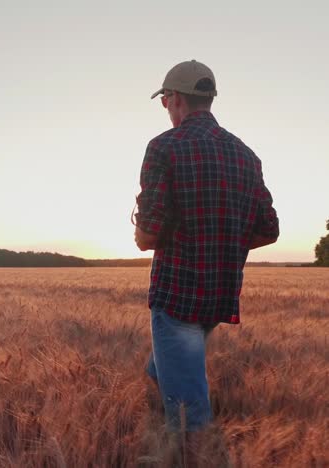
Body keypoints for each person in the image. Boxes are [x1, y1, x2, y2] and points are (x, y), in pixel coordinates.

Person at [133, 60, 279, 436]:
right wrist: (224, 243)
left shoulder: (164, 147)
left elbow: (150, 232)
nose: (166, 108)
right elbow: (269, 229)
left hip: (178, 294)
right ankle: (155, 418)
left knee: (190, 421)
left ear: (176, 99)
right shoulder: (246, 155)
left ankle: (195, 452)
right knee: (163, 366)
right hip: (218, 297)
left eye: (165, 100)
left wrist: (142, 236)